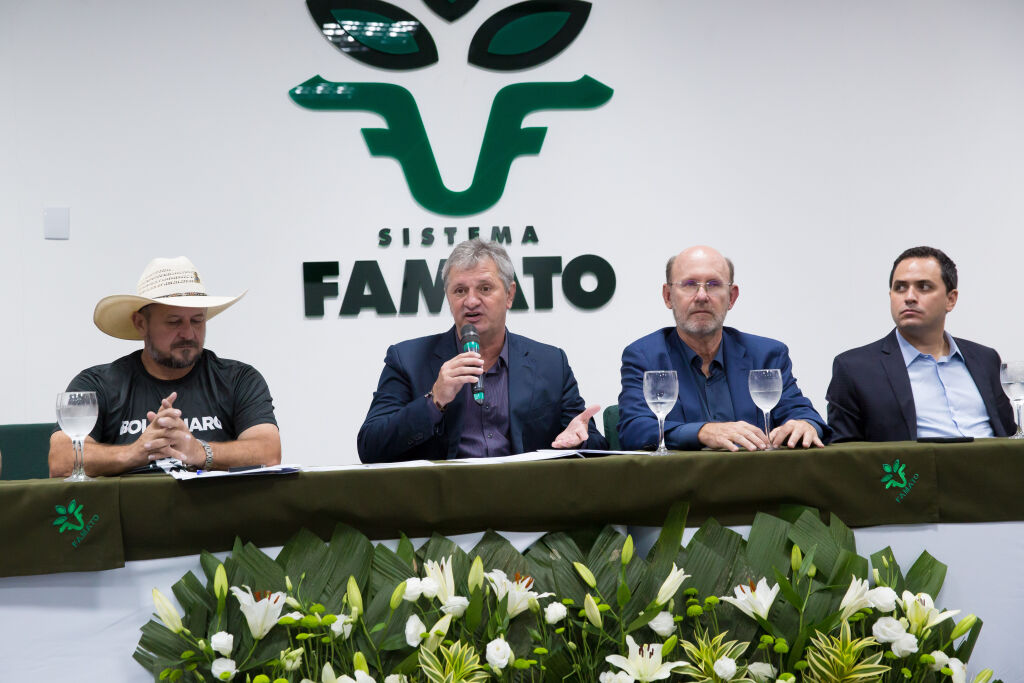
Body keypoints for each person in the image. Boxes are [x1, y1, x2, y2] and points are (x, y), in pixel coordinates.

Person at [358, 239, 607, 463]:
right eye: (460, 290)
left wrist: (580, 439)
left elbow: (594, 443)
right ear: (448, 298)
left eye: (485, 288)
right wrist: (434, 401)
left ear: (509, 295)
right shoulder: (407, 360)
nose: (471, 301)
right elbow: (370, 446)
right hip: (442, 504)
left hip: (524, 503)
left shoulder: (551, 363)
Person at [48, 257, 281, 477]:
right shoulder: (97, 384)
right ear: (140, 323)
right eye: (174, 321)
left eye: (198, 320)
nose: (189, 333)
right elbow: (60, 459)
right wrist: (135, 453)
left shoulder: (239, 379)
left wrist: (201, 452)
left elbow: (269, 453)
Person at [618, 245, 828, 452]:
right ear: (668, 296)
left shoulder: (766, 355)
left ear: (732, 297)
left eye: (713, 284)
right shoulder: (645, 356)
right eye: (690, 284)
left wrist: (805, 424)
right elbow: (635, 430)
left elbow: (802, 413)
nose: (701, 296)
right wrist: (703, 432)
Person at [826, 246, 1014, 442]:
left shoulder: (985, 359)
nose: (909, 297)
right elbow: (844, 456)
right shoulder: (855, 369)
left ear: (950, 299)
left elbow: (1010, 434)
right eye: (900, 288)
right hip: (919, 471)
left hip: (993, 468)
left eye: (923, 287)